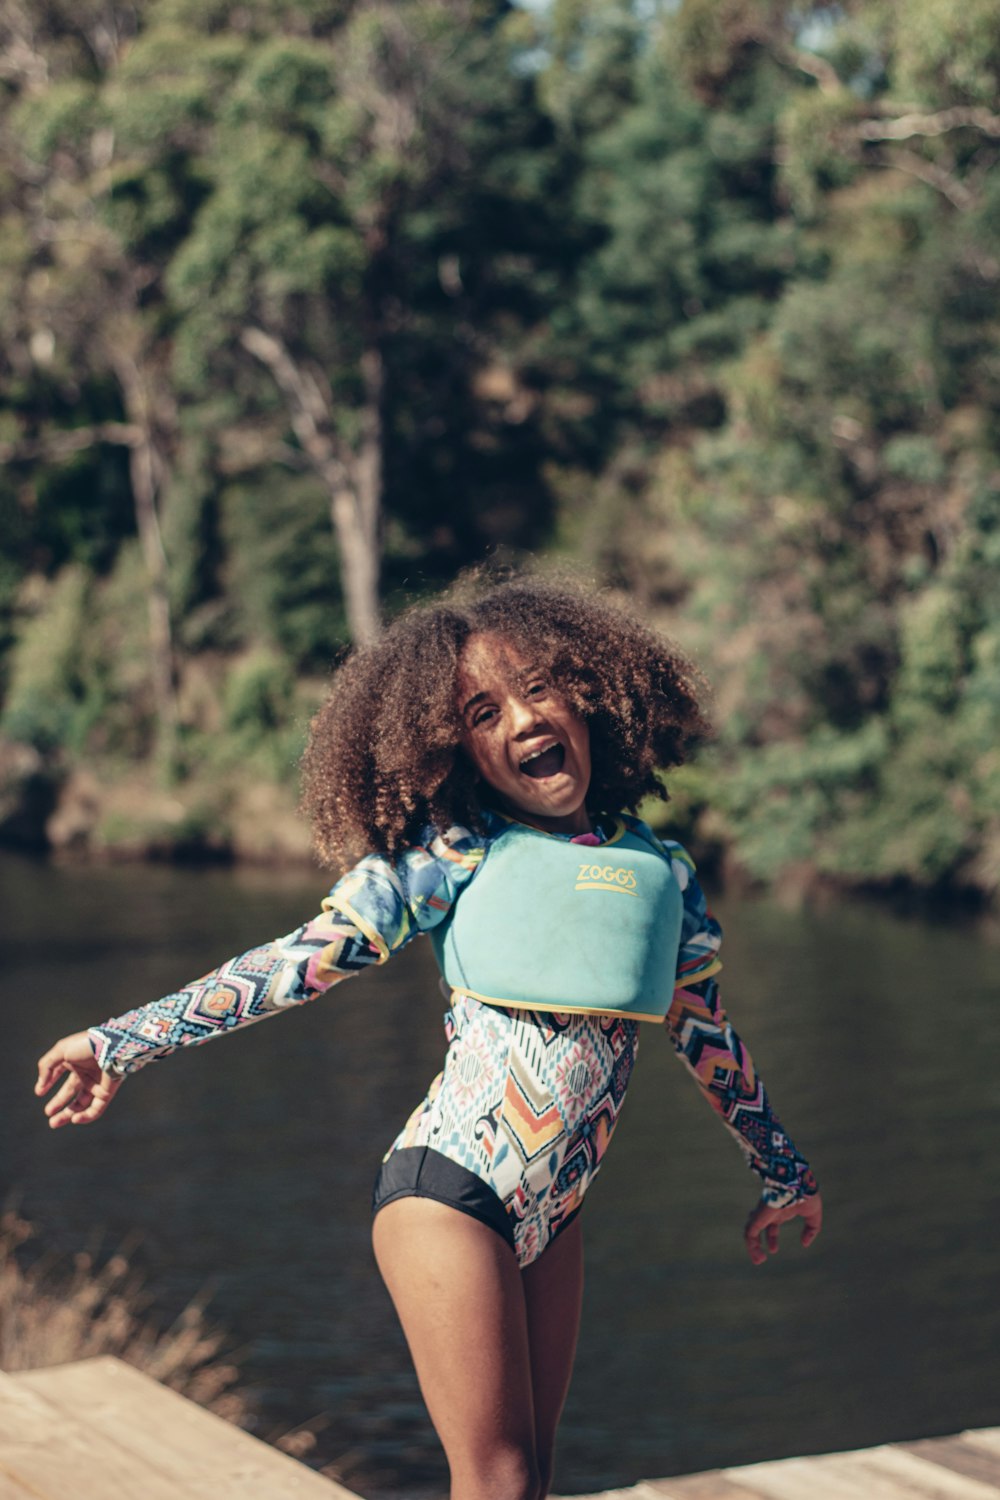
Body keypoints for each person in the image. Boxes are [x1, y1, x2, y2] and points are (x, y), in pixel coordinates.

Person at [35, 574, 822, 1500]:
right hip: (451, 1192)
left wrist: (784, 1172)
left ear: (585, 692)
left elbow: (707, 1033)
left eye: (536, 689)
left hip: (556, 1210)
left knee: (530, 1480)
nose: (521, 721)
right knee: (496, 1478)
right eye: (483, 711)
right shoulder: (449, 854)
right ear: (460, 750)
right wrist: (120, 1042)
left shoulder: (660, 872)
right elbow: (294, 965)